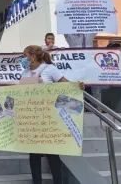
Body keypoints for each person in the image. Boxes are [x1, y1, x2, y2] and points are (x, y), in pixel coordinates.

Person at [19, 45, 84, 184]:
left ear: (33, 56)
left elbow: (65, 85)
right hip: (32, 118)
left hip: (49, 118)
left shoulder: (50, 69)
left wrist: (77, 87)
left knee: (52, 153)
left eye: (25, 55)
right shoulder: (24, 73)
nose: (23, 59)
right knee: (34, 154)